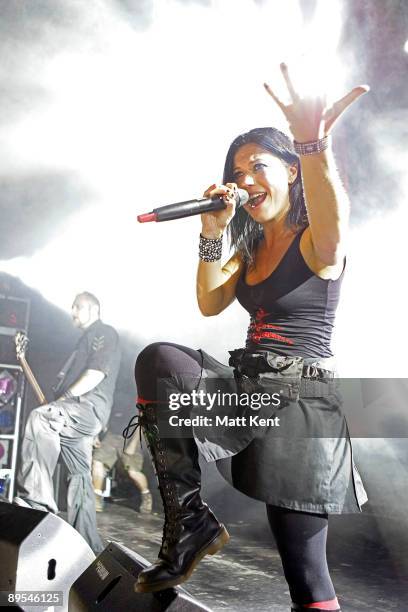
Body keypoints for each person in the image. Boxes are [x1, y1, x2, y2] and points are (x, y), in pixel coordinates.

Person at [132, 64, 368, 611]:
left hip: (302, 408)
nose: (243, 181)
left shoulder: (317, 241)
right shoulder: (248, 245)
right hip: (248, 392)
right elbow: (210, 300)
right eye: (236, 172)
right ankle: (189, 520)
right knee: (162, 360)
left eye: (257, 167)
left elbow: (335, 221)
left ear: (290, 172)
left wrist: (313, 144)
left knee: (306, 576)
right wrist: (211, 233)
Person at [15, 291, 121, 553]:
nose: (72, 311)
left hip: (85, 408)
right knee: (80, 474)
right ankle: (88, 544)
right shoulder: (83, 341)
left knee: (42, 418)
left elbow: (97, 372)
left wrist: (64, 399)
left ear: (93, 309)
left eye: (78, 307)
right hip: (77, 413)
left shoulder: (103, 333)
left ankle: (37, 504)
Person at [92, 427, 152, 514]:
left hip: (131, 437)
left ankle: (146, 496)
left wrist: (133, 444)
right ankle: (96, 497)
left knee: (133, 473)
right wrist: (96, 435)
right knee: (97, 462)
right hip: (112, 436)